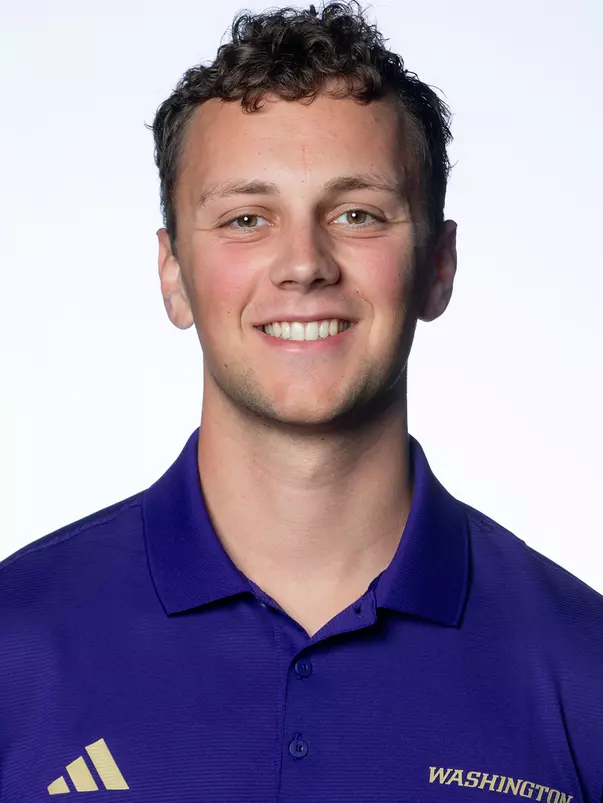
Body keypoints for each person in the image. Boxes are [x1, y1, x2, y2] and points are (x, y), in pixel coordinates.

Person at [1, 1, 601, 800]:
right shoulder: (15, 645)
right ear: (172, 273)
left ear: (437, 265)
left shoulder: (582, 666)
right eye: (247, 219)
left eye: (357, 214)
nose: (303, 264)